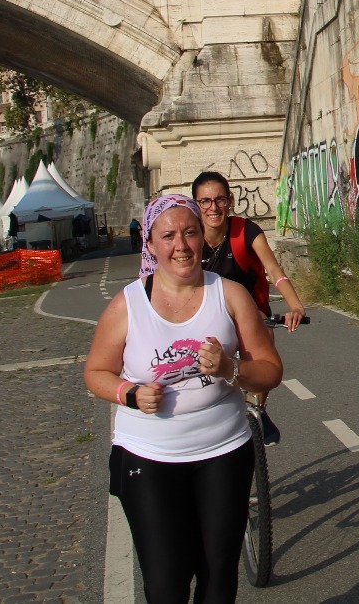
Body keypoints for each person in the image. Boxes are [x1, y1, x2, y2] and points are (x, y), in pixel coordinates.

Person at [85, 195, 283, 604]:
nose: (181, 245)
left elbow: (270, 368)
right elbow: (96, 373)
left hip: (223, 451)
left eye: (190, 233)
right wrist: (131, 393)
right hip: (148, 455)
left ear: (202, 240)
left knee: (217, 575)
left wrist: (231, 368)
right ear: (151, 244)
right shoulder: (127, 306)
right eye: (169, 235)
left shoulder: (229, 295)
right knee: (166, 582)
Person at [186, 170, 306, 446]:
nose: (213, 207)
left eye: (220, 200)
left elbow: (273, 269)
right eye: (205, 201)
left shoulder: (245, 231)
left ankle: (258, 412)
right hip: (207, 314)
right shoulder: (190, 236)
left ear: (230, 201)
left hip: (249, 312)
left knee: (265, 348)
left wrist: (295, 304)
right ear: (196, 205)